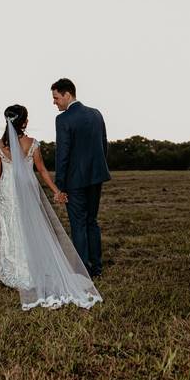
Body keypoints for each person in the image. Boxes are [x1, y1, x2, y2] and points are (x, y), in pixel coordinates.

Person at [0, 104, 102, 310]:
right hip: (29, 188)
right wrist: (55, 190)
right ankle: (34, 268)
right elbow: (41, 170)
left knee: (11, 227)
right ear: (23, 122)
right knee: (31, 226)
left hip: (8, 190)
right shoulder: (32, 144)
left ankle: (16, 271)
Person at [51, 78, 111, 277]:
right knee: (91, 221)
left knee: (78, 224)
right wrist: (97, 169)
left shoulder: (63, 119)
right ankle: (97, 267)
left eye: (56, 97)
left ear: (67, 95)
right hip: (96, 177)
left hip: (74, 181)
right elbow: (104, 144)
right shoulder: (96, 114)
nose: (54, 102)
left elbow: (63, 154)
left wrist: (60, 186)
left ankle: (82, 270)